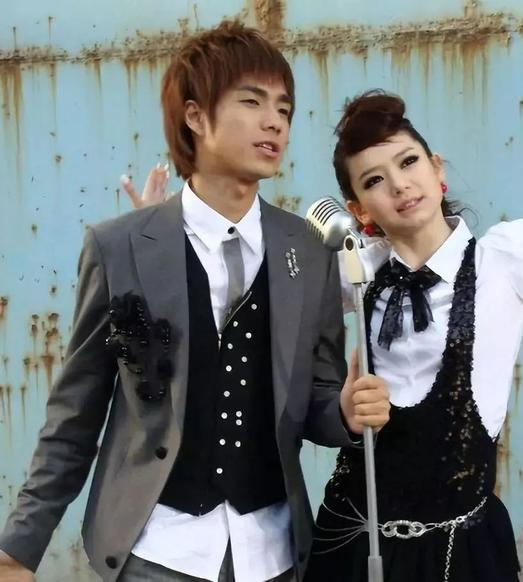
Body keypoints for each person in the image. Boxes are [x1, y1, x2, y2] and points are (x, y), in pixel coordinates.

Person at [0, 23, 390, 582]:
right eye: (252, 102)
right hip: (156, 551)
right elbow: (76, 412)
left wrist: (346, 414)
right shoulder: (120, 247)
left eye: (284, 108)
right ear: (196, 117)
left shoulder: (308, 249)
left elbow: (317, 397)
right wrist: (19, 548)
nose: (275, 121)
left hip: (274, 552)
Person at [299, 91, 523, 582]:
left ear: (437, 169)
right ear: (359, 210)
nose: (399, 184)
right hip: (353, 539)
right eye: (374, 180)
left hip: (458, 549)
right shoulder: (355, 272)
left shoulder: (504, 263)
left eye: (408, 161)